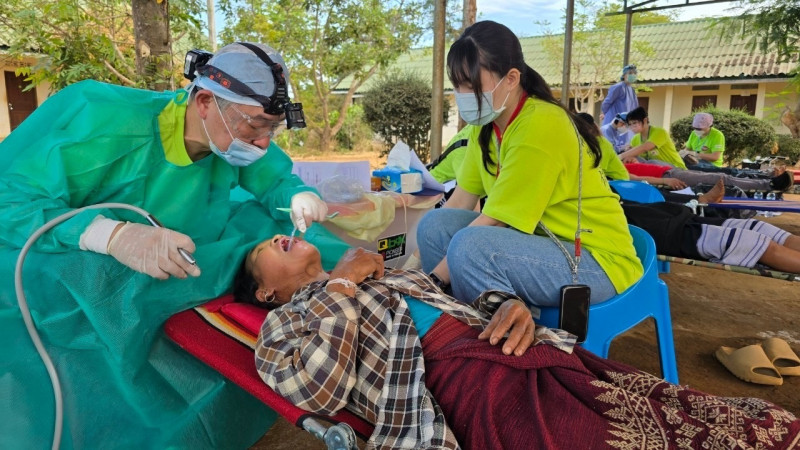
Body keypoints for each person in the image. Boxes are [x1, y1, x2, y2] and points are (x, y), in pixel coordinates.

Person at [0, 42, 350, 448]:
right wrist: (110, 235)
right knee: (95, 291)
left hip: (172, 258)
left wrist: (296, 194)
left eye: (271, 129)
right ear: (204, 101)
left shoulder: (229, 142)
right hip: (60, 266)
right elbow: (9, 197)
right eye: (254, 126)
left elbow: (274, 179)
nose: (261, 142)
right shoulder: (102, 118)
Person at [236, 235, 800, 449]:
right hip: (455, 380)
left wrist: (506, 306)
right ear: (264, 292)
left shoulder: (386, 274)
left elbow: (448, 299)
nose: (283, 236)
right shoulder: (285, 327)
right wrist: (340, 282)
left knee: (663, 404)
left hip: (513, 345)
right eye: (268, 246)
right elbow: (316, 387)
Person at [417, 21, 643, 308]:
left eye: (471, 85)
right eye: (457, 85)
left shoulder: (541, 124)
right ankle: (452, 321)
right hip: (538, 245)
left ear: (511, 78)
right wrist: (418, 263)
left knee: (471, 247)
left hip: (592, 259)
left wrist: (430, 282)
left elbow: (497, 219)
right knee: (435, 225)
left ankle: (478, 333)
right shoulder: (485, 127)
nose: (462, 95)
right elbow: (460, 200)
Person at [625, 161, 794, 192]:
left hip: (670, 170)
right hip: (668, 175)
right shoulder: (603, 168)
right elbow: (630, 177)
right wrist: (664, 180)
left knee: (722, 174)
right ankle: (769, 184)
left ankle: (767, 179)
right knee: (722, 179)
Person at [618, 106, 687, 169]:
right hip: (658, 170)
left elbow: (646, 147)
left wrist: (620, 156)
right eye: (630, 124)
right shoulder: (635, 139)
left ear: (645, 120)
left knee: (652, 162)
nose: (632, 126)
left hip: (676, 168)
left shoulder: (659, 132)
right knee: (631, 158)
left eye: (635, 123)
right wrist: (628, 151)